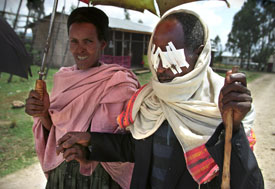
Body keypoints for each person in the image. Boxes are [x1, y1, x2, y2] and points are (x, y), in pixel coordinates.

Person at [56, 9, 264, 188]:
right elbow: (136, 149)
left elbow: (248, 183)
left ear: (198, 55)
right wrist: (91, 140)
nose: (160, 67)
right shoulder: (151, 99)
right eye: (156, 54)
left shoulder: (223, 106)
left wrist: (233, 130)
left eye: (171, 56)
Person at [25, 7, 140, 189]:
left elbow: (130, 144)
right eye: (74, 42)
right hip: (62, 175)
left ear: (102, 43)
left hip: (101, 178)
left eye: (88, 41)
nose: (80, 49)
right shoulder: (63, 80)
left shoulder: (120, 83)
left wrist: (89, 150)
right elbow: (54, 131)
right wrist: (43, 112)